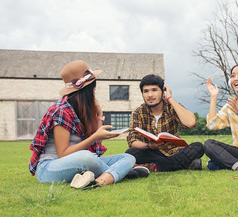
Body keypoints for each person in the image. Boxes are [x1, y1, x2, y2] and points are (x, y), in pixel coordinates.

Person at [29, 60, 149, 189]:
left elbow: (97, 148)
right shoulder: (61, 110)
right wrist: (95, 137)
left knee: (128, 157)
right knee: (86, 157)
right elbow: (63, 153)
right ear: (86, 90)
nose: (94, 93)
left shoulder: (83, 110)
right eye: (93, 89)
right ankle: (121, 173)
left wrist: (99, 113)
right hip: (51, 167)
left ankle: (99, 181)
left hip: (80, 163)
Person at [125, 74, 204, 171]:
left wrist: (170, 98)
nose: (150, 95)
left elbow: (190, 123)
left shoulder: (172, 107)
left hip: (175, 151)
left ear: (163, 92)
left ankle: (155, 166)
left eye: (154, 90)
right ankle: (185, 163)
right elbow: (133, 141)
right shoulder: (138, 112)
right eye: (146, 91)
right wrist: (149, 146)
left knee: (198, 147)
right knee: (130, 153)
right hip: (152, 152)